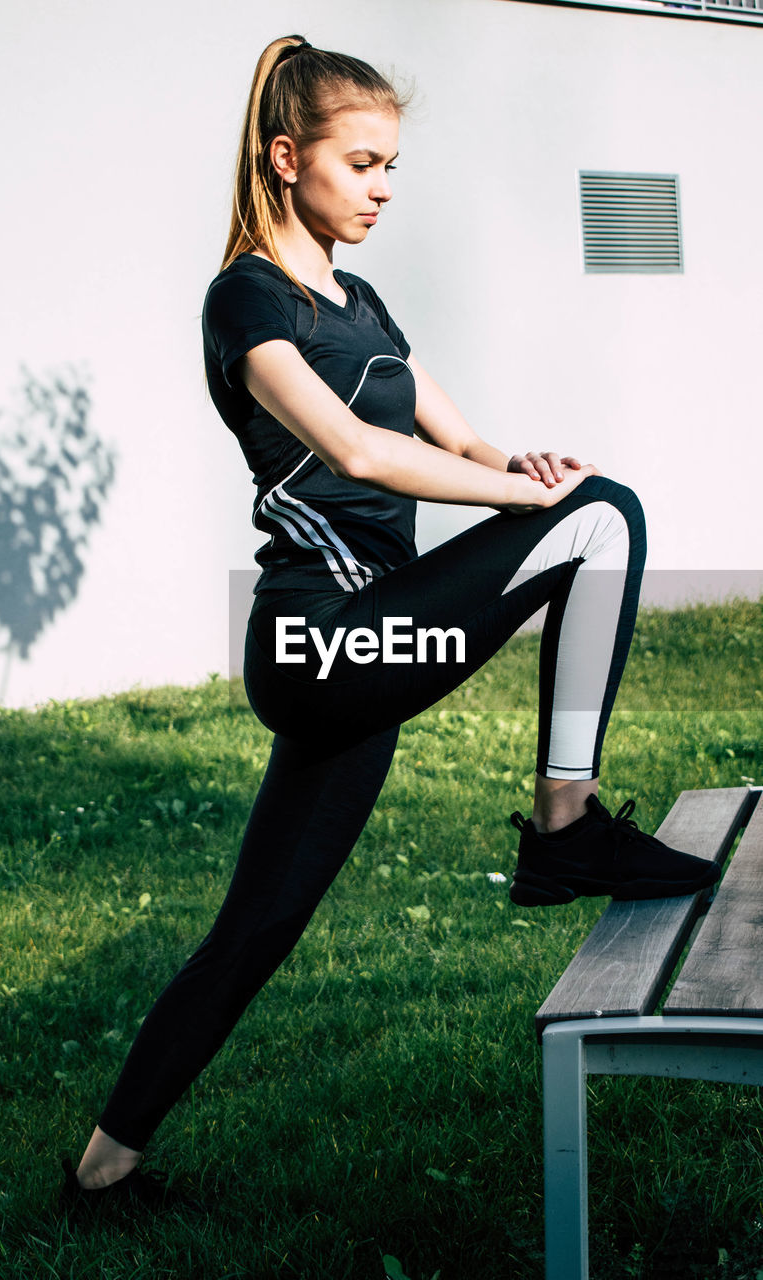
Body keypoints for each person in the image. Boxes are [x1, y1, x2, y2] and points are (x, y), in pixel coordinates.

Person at [60, 34, 719, 1214]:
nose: (382, 188)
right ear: (284, 157)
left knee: (259, 923)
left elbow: (452, 435)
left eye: (392, 166)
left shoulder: (358, 300)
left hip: (375, 639)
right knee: (604, 523)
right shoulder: (247, 301)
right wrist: (543, 505)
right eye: (361, 163)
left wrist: (523, 464)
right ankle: (565, 826)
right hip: (322, 641)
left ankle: (102, 1164)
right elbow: (361, 449)